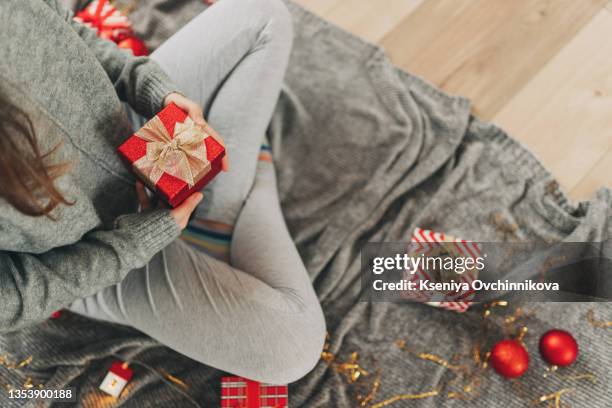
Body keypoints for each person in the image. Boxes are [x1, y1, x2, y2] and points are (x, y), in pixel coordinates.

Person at [0, 0, 325, 384]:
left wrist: (155, 90)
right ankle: (243, 189)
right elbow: (13, 295)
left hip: (137, 132)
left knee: (264, 16)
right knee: (293, 350)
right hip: (96, 255)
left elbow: (65, 29)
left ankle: (215, 208)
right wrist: (142, 238)